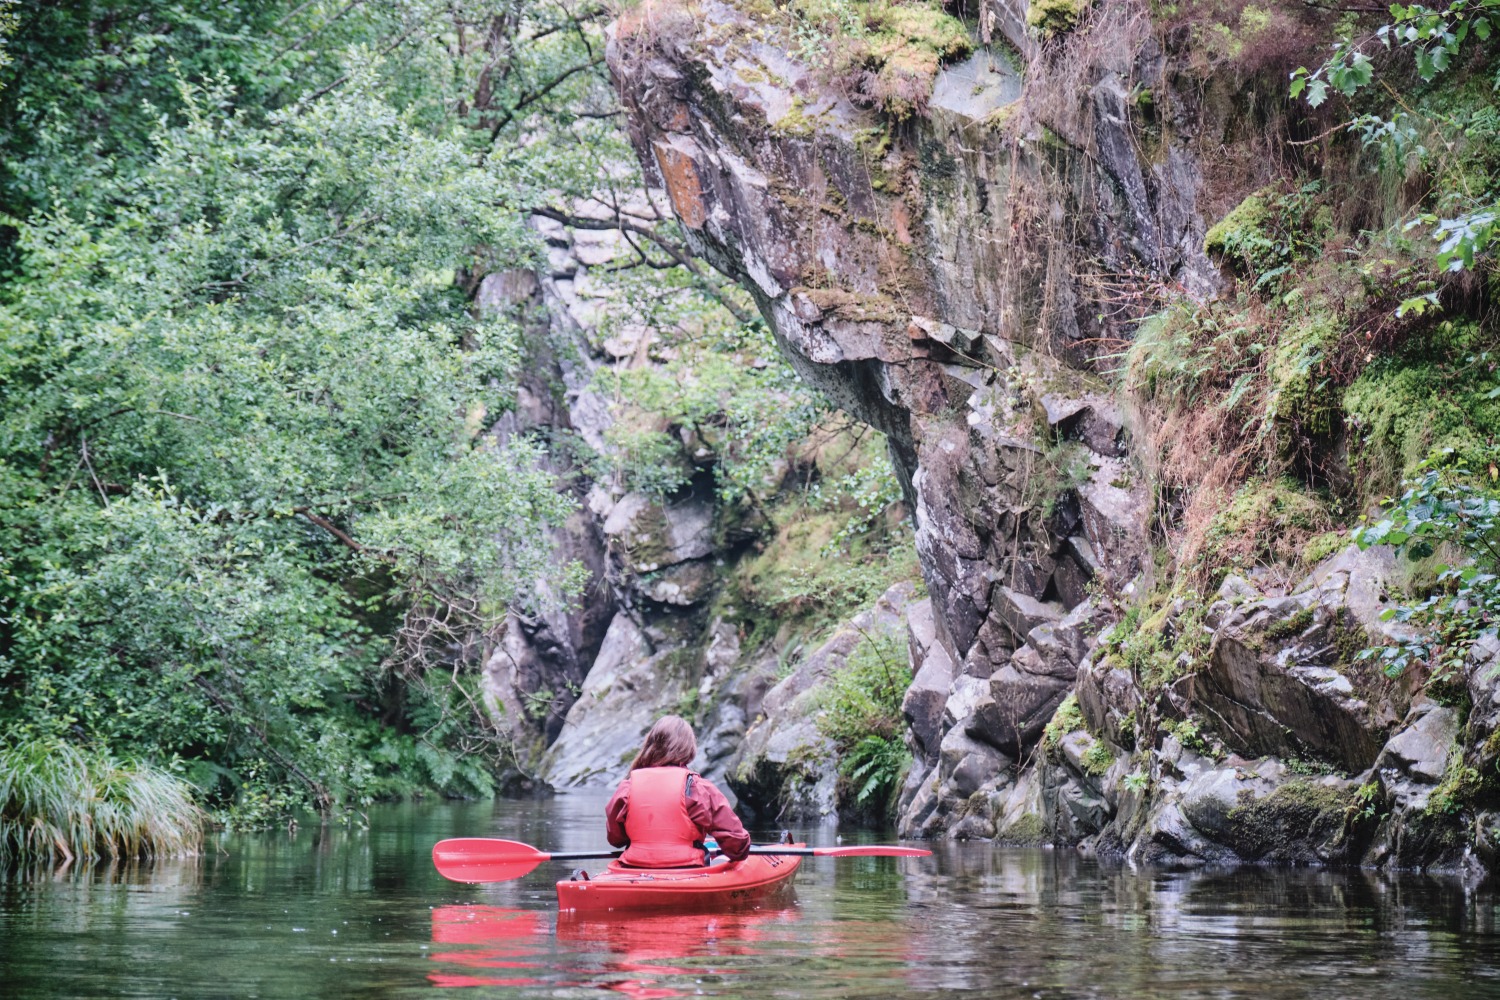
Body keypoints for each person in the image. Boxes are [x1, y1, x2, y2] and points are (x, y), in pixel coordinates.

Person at [605, 715, 751, 868]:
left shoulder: (628, 786)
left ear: (650, 744)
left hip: (634, 867)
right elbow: (737, 845)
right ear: (688, 748)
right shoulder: (697, 788)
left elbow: (616, 839)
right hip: (686, 868)